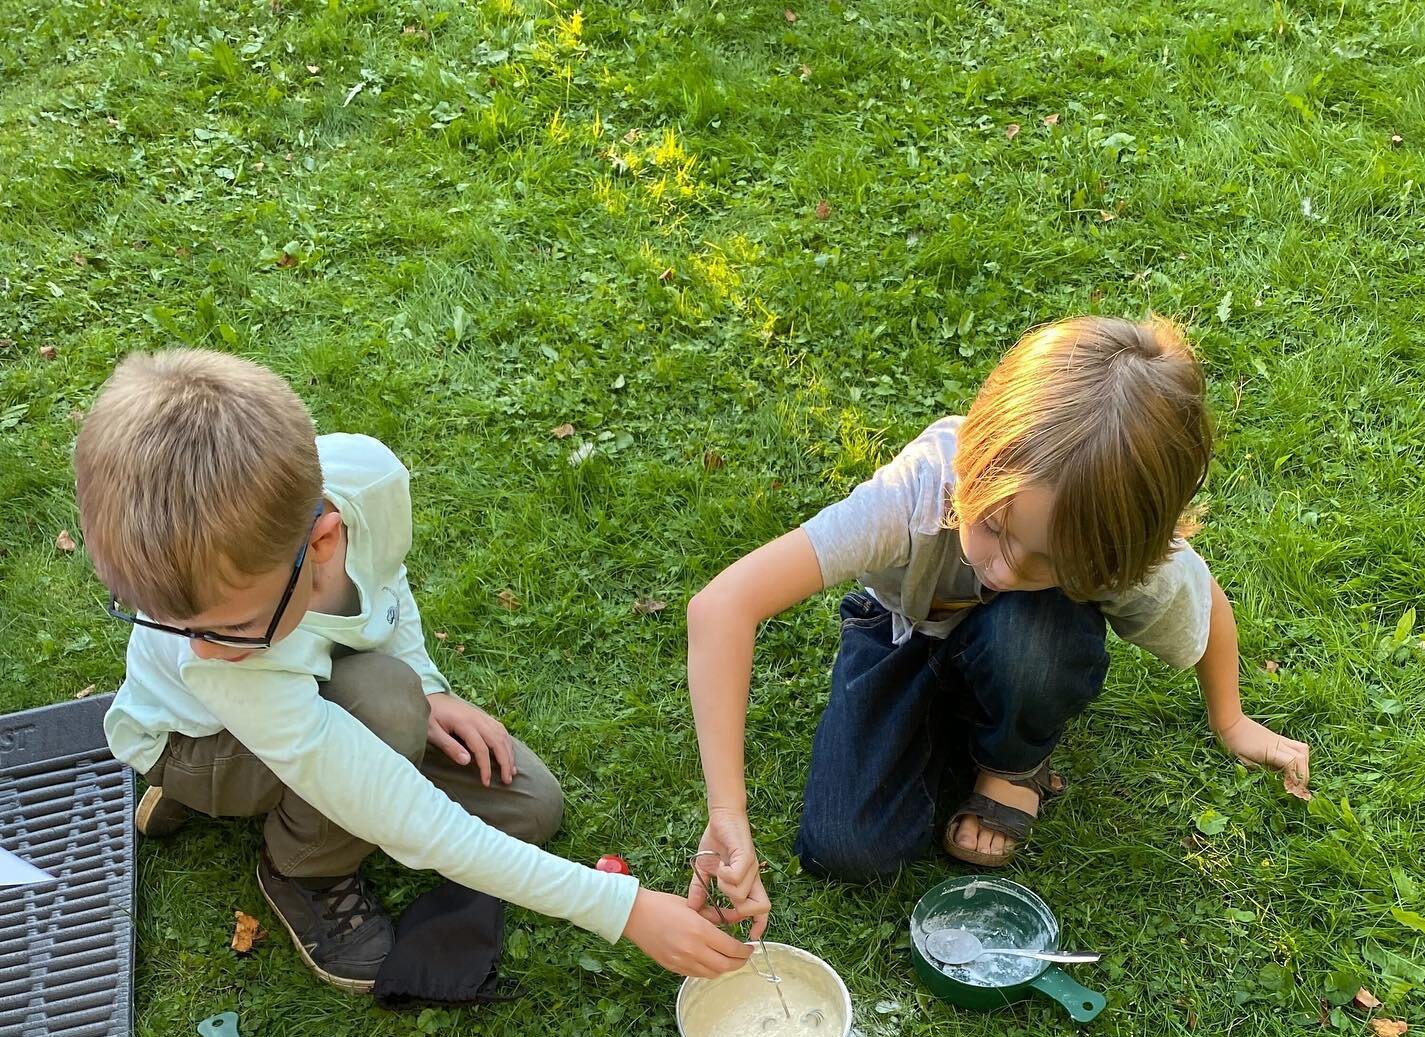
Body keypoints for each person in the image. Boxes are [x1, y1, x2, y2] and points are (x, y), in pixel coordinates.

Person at [79, 349, 749, 991]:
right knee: (387, 711)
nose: (196, 647)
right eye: (165, 620)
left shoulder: (368, 478)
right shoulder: (222, 667)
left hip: (315, 690)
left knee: (530, 806)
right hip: (190, 739)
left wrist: (429, 685)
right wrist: (621, 910)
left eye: (224, 624)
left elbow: (385, 580)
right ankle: (300, 870)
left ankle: (338, 755)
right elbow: (412, 822)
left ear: (323, 540)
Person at [685, 315, 1310, 927]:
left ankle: (1011, 763)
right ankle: (947, 726)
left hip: (1028, 647)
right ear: (976, 459)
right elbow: (721, 607)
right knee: (848, 849)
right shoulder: (918, 490)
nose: (1005, 571)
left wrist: (1230, 720)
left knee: (1032, 632)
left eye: (1049, 560)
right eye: (994, 528)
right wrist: (728, 811)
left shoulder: (1119, 546)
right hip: (903, 634)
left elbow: (1204, 603)